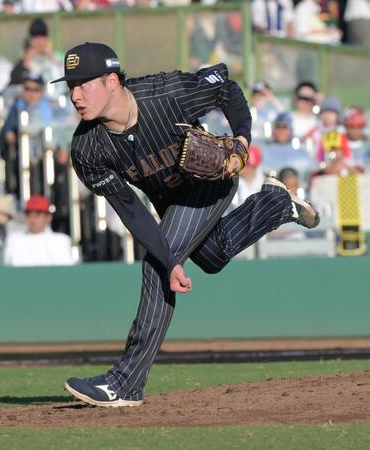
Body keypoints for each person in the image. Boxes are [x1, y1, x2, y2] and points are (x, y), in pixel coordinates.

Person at [53, 42, 320, 407]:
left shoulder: (168, 94)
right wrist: (171, 256)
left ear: (112, 80)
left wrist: (241, 141)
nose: (75, 95)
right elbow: (132, 210)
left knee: (155, 267)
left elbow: (226, 87)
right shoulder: (88, 150)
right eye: (71, 86)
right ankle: (274, 203)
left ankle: (125, 382)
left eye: (84, 83)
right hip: (168, 201)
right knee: (213, 255)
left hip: (211, 180)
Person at [4, 195, 74, 266]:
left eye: (38, 215)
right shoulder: (14, 240)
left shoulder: (61, 241)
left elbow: (67, 271)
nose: (33, 219)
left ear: (48, 218)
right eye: (29, 215)